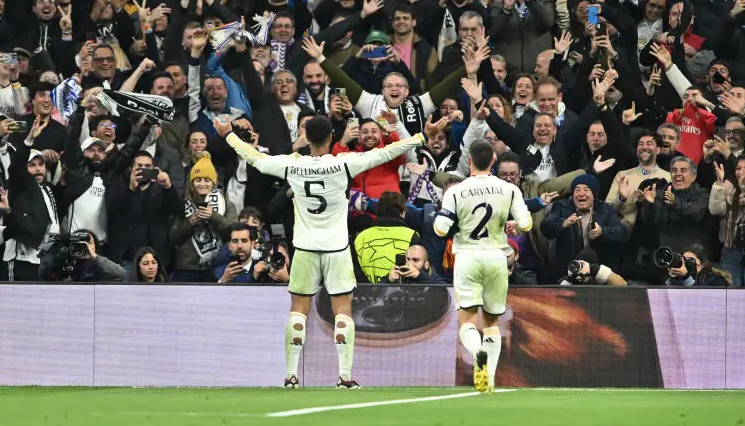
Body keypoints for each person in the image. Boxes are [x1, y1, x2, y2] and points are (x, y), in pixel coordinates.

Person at [213, 114, 425, 389]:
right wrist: (419, 136)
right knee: (343, 311)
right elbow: (385, 153)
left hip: (304, 248)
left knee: (298, 310)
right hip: (336, 248)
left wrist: (228, 135)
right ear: (331, 138)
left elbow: (256, 159)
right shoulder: (343, 163)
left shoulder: (292, 165)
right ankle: (344, 377)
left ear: (306, 138)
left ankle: (291, 376)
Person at [434, 139, 533, 394]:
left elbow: (440, 229)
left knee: (467, 321)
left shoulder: (456, 191)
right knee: (491, 323)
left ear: (469, 161)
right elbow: (526, 224)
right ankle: (489, 380)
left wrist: (455, 221)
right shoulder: (509, 189)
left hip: (467, 256)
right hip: (496, 257)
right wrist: (513, 224)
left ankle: (478, 351)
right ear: (493, 161)